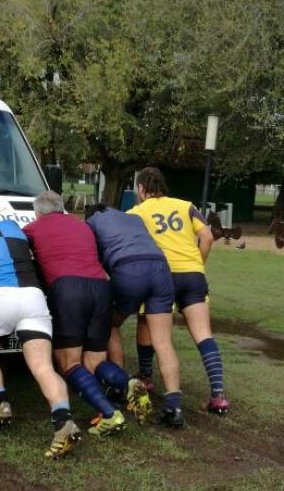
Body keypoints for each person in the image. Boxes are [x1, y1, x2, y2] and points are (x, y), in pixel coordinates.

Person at [0, 205, 82, 459]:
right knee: (43, 366)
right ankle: (62, 418)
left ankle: (0, 403)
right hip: (33, 296)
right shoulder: (13, 226)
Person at [22, 191, 130, 436]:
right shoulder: (83, 226)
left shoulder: (33, 228)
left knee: (68, 362)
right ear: (62, 208)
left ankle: (110, 414)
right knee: (95, 361)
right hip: (102, 288)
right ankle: (128, 383)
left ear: (38, 212)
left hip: (68, 289)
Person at [128, 166, 230, 423]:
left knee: (146, 323)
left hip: (160, 275)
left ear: (141, 189)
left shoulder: (136, 212)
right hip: (193, 275)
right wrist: (198, 264)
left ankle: (147, 377)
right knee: (204, 334)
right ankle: (217, 395)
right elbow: (206, 237)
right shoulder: (186, 206)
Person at [85, 203, 181, 426]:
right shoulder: (133, 218)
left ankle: (120, 385)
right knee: (164, 342)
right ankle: (174, 407)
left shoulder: (92, 222)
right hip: (160, 268)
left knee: (110, 324)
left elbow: (94, 259)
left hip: (128, 268)